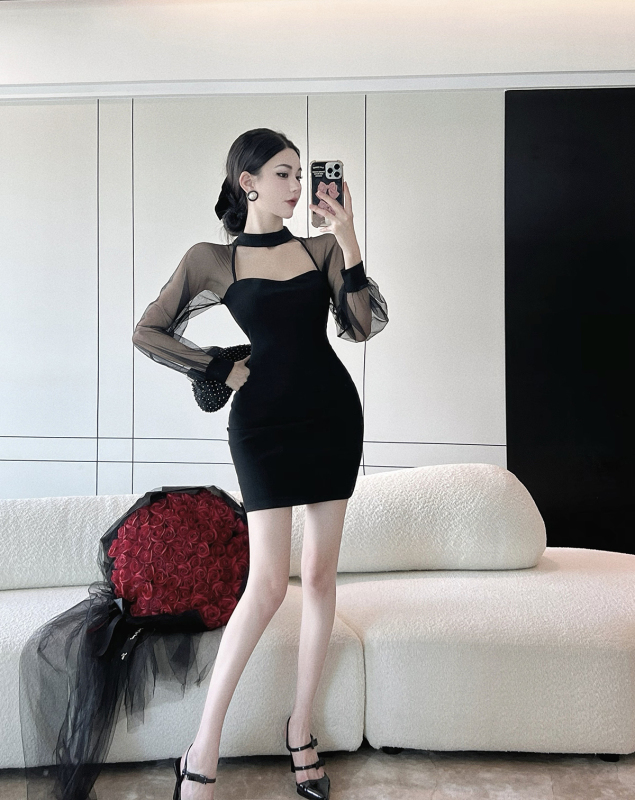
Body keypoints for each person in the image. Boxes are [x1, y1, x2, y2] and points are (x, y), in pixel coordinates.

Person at [131, 128, 389, 800]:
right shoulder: (212, 259)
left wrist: (350, 237)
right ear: (247, 182)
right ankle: (203, 745)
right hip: (262, 429)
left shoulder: (320, 248)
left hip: (331, 418)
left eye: (301, 174)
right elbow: (148, 330)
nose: (298, 186)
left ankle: (300, 729)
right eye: (283, 173)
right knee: (268, 583)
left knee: (321, 574)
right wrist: (219, 367)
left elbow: (361, 327)